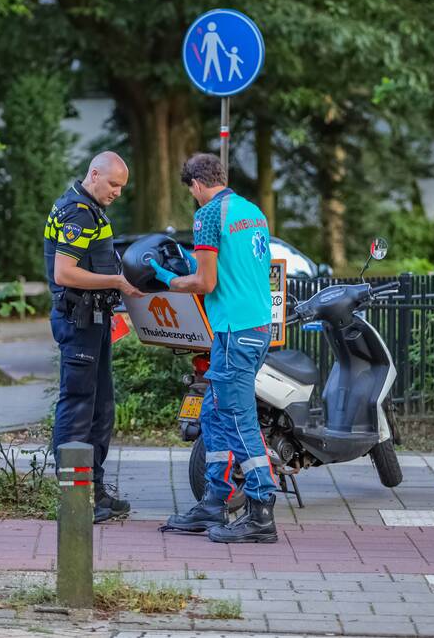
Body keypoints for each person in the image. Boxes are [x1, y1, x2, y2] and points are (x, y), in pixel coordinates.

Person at [150, 153, 278, 544]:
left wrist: (170, 280)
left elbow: (204, 283)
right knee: (214, 414)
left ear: (195, 185)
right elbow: (234, 266)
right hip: (254, 326)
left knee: (238, 418)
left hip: (233, 330)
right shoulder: (251, 210)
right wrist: (193, 260)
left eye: (190, 191)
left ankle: (260, 511)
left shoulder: (208, 215)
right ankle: (214, 501)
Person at [44, 151, 144, 523]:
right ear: (94, 173)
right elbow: (65, 273)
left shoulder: (87, 207)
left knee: (101, 408)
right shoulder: (77, 213)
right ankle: (76, 499)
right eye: (114, 184)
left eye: (122, 187)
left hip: (94, 319)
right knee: (78, 407)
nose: (118, 192)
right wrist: (117, 281)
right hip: (78, 320)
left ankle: (95, 490)